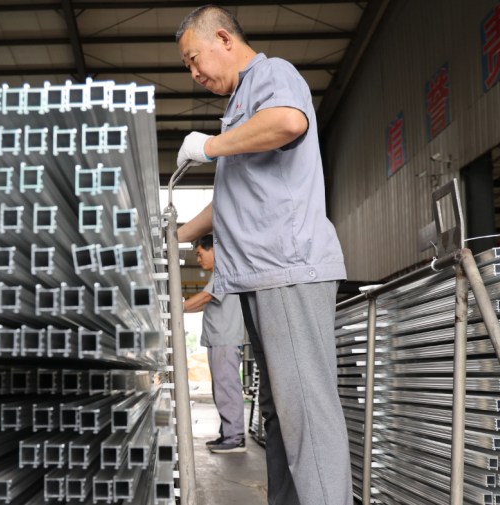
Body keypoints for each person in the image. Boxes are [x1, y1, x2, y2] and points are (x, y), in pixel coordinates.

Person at [174, 5, 352, 505]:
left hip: (287, 270)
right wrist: (173, 237)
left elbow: (289, 121)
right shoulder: (236, 109)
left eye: (194, 59)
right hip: (258, 277)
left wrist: (210, 147)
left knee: (306, 416)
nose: (194, 73)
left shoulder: (272, 75)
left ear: (224, 39)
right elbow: (228, 198)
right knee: (279, 414)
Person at [182, 235, 246, 454]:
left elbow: (205, 298)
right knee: (221, 389)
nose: (198, 260)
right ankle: (228, 433)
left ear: (213, 250)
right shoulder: (219, 275)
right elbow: (203, 304)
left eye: (200, 254)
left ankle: (235, 438)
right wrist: (181, 307)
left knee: (227, 388)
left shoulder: (224, 271)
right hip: (219, 340)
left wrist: (176, 306)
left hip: (225, 340)